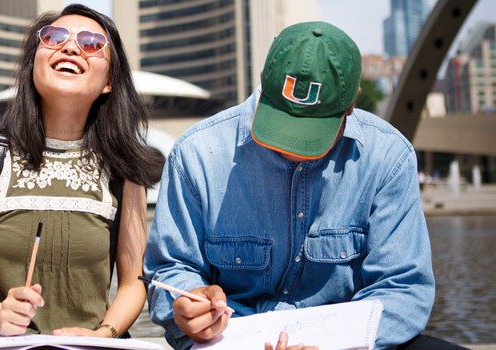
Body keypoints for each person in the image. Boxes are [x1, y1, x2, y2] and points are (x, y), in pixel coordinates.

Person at [144, 21, 461, 350]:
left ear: (352, 103)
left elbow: (403, 288)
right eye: (280, 124)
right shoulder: (197, 154)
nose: (291, 147)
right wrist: (188, 304)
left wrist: (335, 345)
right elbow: (169, 270)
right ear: (263, 85)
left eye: (310, 133)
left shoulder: (388, 157)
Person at [0, 3, 162, 343]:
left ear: (108, 82)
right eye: (55, 37)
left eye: (91, 44)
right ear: (33, 64)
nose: (71, 47)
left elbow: (134, 282)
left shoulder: (123, 171)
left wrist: (104, 334)